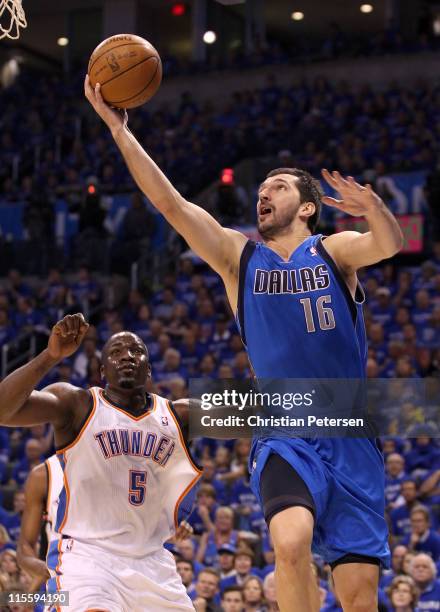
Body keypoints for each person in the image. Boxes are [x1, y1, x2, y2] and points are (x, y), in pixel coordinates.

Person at [85, 77, 404, 612]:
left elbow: (389, 244)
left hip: (350, 433)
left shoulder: (334, 252)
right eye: (262, 189)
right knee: (290, 540)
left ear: (307, 208)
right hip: (284, 428)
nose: (264, 193)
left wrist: (374, 210)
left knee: (359, 598)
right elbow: (171, 203)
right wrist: (120, 130)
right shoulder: (239, 258)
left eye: (278, 187)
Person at [0, 313, 202, 610]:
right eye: (116, 352)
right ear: (103, 370)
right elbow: (3, 411)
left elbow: (269, 411)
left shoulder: (179, 415)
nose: (127, 356)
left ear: (149, 369)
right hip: (88, 560)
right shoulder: (77, 404)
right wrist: (49, 356)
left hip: (153, 562)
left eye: (136, 350)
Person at [16, 455, 63, 591]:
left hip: (114, 575)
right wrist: (48, 572)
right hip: (61, 579)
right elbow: (24, 548)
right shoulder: (44, 475)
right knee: (10, 599)